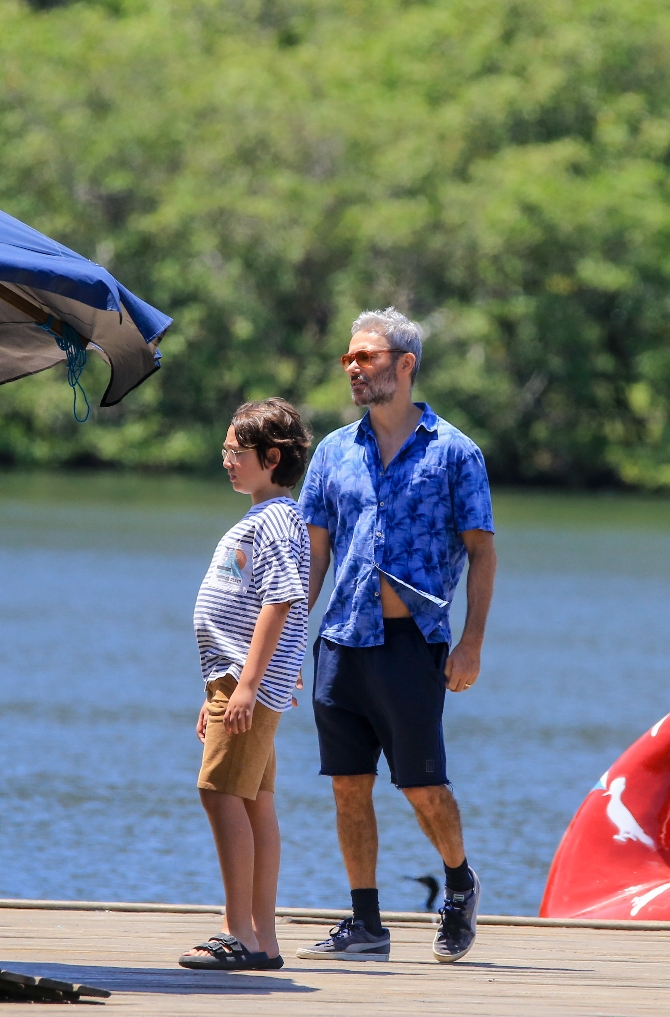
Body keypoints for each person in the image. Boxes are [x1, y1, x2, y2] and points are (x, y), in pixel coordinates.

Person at [297, 308, 496, 964]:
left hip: (415, 644)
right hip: (341, 641)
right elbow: (313, 556)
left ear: (405, 364)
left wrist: (470, 643)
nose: (354, 368)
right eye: (348, 358)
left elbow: (482, 551)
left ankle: (460, 881)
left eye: (368, 357)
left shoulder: (454, 451)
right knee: (347, 783)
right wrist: (285, 643)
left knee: (421, 784)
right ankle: (365, 922)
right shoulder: (331, 453)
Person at [179, 398, 311, 971]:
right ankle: (262, 938)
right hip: (233, 680)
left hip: (245, 685)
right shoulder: (264, 519)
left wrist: (248, 686)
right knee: (255, 800)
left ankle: (239, 932)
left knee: (220, 793)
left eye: (237, 451)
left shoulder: (277, 520)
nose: (227, 460)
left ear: (271, 456)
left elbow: (282, 599)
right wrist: (222, 685)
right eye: (227, 450)